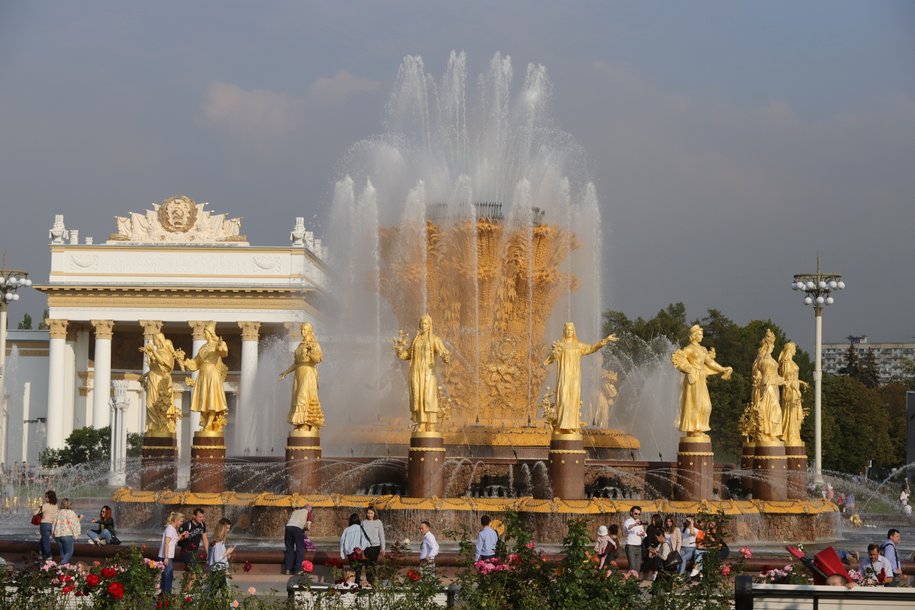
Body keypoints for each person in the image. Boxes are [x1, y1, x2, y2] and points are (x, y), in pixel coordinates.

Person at [544, 322, 617, 432]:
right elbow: (548, 360)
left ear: (574, 331)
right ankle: (561, 425)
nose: (569, 332)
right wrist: (554, 354)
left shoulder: (578, 346)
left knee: (573, 399)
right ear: (564, 331)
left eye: (571, 330)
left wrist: (605, 340)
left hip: (574, 377)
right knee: (563, 399)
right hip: (564, 377)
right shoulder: (560, 345)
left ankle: (572, 425)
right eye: (567, 330)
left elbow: (592, 348)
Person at [671, 324, 733, 437]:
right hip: (693, 378)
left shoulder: (703, 349)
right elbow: (678, 358)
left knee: (706, 405)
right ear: (693, 335)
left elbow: (710, 363)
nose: (702, 336)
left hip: (701, 378)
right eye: (699, 334)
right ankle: (694, 430)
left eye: (702, 334)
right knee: (695, 403)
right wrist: (688, 370)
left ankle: (699, 428)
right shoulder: (688, 349)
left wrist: (723, 369)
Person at [393, 315, 451, 433]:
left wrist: (445, 356)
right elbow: (407, 354)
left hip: (428, 372)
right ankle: (422, 423)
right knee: (417, 396)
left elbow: (443, 351)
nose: (422, 325)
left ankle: (431, 424)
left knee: (428, 397)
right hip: (416, 371)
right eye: (421, 323)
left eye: (425, 323)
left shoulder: (435, 339)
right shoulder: (416, 340)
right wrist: (400, 352)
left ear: (430, 325)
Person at [182, 321, 229, 432]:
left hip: (212, 374)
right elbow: (195, 363)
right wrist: (185, 362)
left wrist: (222, 346)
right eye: (204, 332)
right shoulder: (203, 347)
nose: (204, 334)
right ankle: (206, 422)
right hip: (202, 375)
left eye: (205, 332)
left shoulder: (217, 345)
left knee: (212, 400)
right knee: (203, 400)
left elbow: (224, 353)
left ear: (211, 333)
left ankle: (209, 423)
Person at [280, 323, 325, 431]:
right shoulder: (300, 345)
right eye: (301, 330)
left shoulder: (315, 344)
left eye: (304, 330)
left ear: (309, 330)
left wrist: (310, 352)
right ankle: (300, 423)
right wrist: (286, 372)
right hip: (299, 373)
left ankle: (307, 423)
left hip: (308, 372)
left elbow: (318, 360)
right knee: (297, 398)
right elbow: (296, 363)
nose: (302, 332)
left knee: (303, 397)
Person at [751, 331, 784, 441]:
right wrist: (767, 353)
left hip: (774, 385)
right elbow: (759, 368)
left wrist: (785, 381)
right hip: (767, 384)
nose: (773, 346)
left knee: (774, 409)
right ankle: (768, 432)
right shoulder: (762, 356)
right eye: (772, 344)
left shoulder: (770, 358)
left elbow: (776, 375)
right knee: (773, 409)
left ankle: (771, 433)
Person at [159, 511, 187, 596]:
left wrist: (182, 535)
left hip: (167, 556)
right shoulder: (170, 529)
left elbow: (173, 541)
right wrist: (166, 557)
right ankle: (166, 595)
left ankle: (164, 594)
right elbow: (167, 543)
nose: (182, 524)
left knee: (167, 576)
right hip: (166, 556)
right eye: (181, 521)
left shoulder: (173, 529)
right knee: (168, 576)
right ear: (176, 520)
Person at [340, 513, 371, 584]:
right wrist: (362, 548)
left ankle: (353, 585)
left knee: (353, 569)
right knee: (358, 570)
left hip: (350, 553)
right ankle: (356, 584)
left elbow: (342, 541)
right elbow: (364, 539)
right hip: (359, 552)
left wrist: (342, 553)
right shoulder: (361, 528)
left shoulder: (347, 530)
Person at [283, 502, 312, 575]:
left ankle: (288, 569)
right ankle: (297, 569)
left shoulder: (295, 511)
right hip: (297, 529)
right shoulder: (308, 513)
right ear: (309, 509)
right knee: (300, 548)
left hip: (288, 527)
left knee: (289, 549)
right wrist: (303, 529)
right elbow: (308, 528)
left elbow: (292, 522)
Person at [51, 498, 81, 565]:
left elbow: (53, 523)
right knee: (69, 552)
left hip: (58, 535)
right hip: (67, 535)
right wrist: (76, 534)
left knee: (62, 553)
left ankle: (62, 570)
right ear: (70, 504)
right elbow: (74, 524)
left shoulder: (58, 512)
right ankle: (61, 564)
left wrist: (53, 534)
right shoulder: (71, 513)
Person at [207, 518, 235, 591]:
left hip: (215, 570)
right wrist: (227, 552)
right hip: (219, 571)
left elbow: (212, 557)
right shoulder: (218, 542)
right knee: (224, 593)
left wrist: (226, 556)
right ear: (222, 528)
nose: (228, 531)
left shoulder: (214, 540)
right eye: (227, 528)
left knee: (213, 591)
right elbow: (216, 559)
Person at [361, 507, 386, 583]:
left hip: (376, 546)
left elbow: (381, 535)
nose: (369, 515)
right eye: (368, 513)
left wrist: (383, 548)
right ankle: (369, 581)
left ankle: (374, 581)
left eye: (371, 513)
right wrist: (361, 548)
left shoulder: (378, 522)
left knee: (373, 564)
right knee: (367, 564)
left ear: (374, 513)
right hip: (366, 547)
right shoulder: (363, 523)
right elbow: (361, 536)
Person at [35, 490, 58, 561]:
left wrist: (38, 508)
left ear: (50, 498)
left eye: (46, 497)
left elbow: (35, 513)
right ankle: (42, 553)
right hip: (52, 524)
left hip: (44, 524)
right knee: (43, 539)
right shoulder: (55, 506)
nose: (45, 498)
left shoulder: (45, 505)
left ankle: (49, 555)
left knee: (46, 540)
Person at [623, 506, 646, 574]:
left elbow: (642, 534)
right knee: (632, 566)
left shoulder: (639, 523)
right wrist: (635, 524)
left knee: (638, 567)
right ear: (631, 513)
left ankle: (634, 582)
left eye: (639, 514)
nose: (637, 515)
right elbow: (628, 528)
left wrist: (643, 534)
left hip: (639, 546)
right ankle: (630, 582)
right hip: (630, 546)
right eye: (635, 513)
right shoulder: (628, 521)